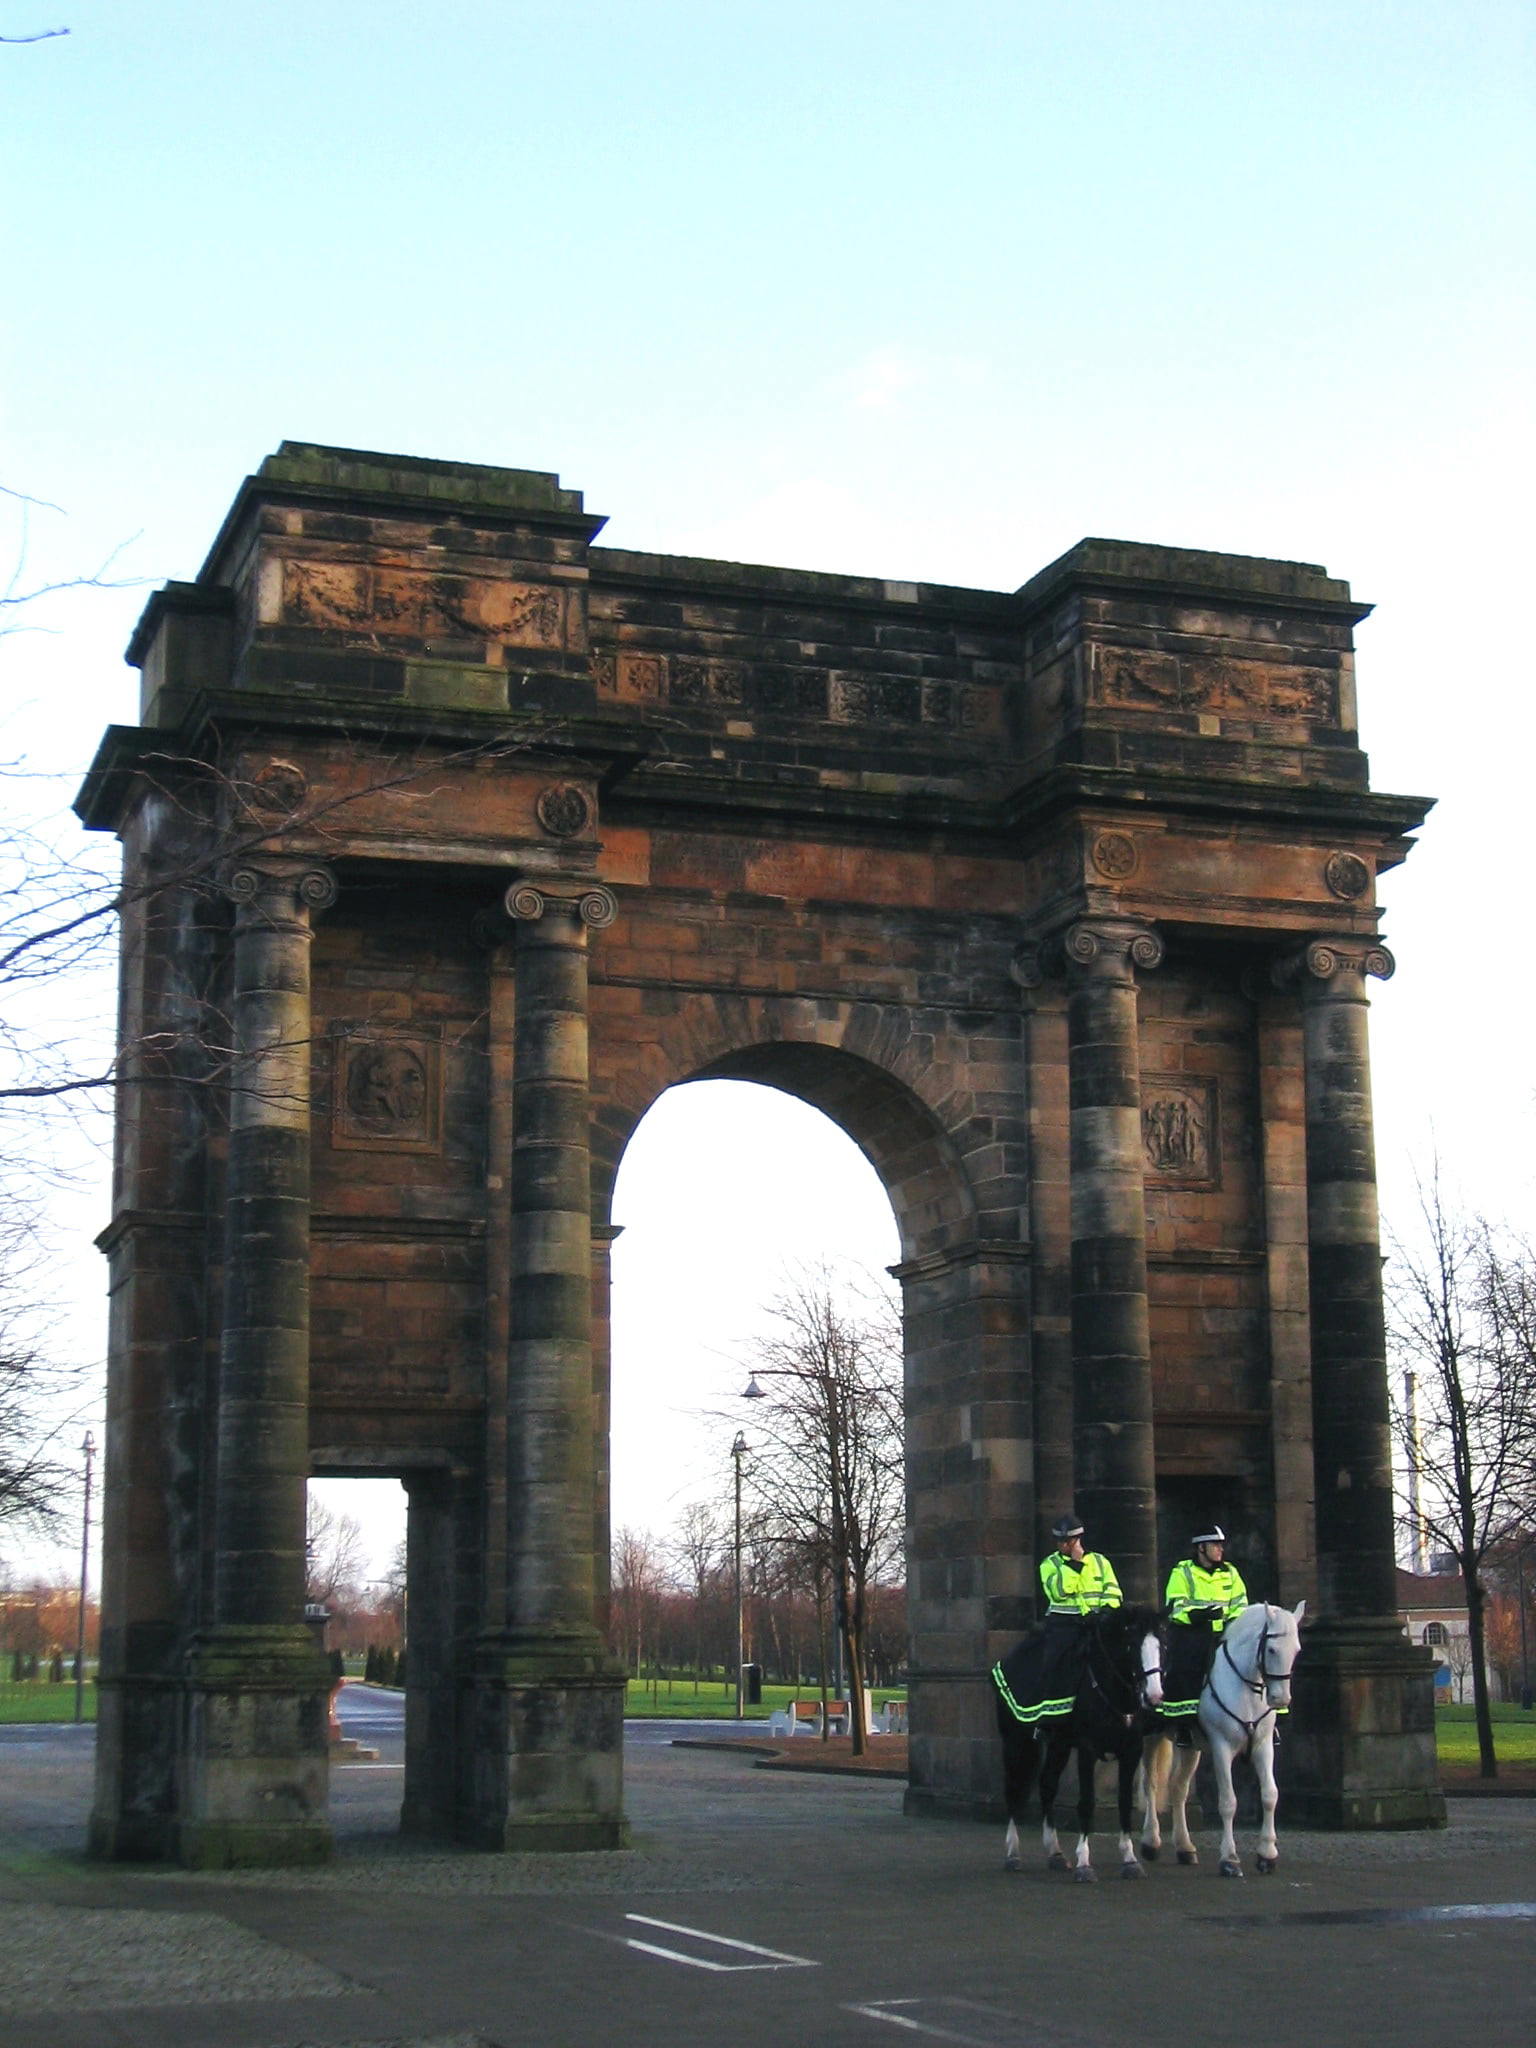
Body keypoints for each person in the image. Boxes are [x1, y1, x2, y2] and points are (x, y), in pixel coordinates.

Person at [994, 1513, 1122, 1725]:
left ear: (1078, 1539)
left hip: (1096, 1624)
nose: (1062, 1544)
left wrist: (1105, 1612)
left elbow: (1113, 1591)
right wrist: (1075, 1564)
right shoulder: (1049, 1565)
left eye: (1067, 1540)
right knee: (1052, 1663)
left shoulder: (1101, 1562)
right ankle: (1048, 1718)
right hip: (1064, 1626)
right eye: (1059, 1541)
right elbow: (1060, 1591)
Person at [1162, 1524, 1248, 1739]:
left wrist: (1235, 1623)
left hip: (1226, 1633)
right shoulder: (1182, 1572)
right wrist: (1200, 1615)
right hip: (1194, 1632)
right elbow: (1175, 1607)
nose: (1221, 1549)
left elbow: (1241, 1603)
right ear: (1201, 1548)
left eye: (1221, 1545)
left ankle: (1268, 1719)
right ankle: (1184, 1723)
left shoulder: (1231, 1572)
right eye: (1215, 1545)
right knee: (1186, 1666)